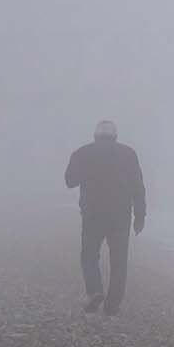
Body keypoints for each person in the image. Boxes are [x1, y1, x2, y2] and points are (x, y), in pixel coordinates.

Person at [64, 120, 146, 315]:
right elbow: (138, 187)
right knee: (119, 259)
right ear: (115, 136)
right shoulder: (128, 154)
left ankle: (95, 291)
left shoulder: (82, 153)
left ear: (95, 136)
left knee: (89, 255)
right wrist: (140, 216)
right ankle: (113, 304)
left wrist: (87, 172)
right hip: (120, 214)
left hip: (92, 213)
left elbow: (70, 181)